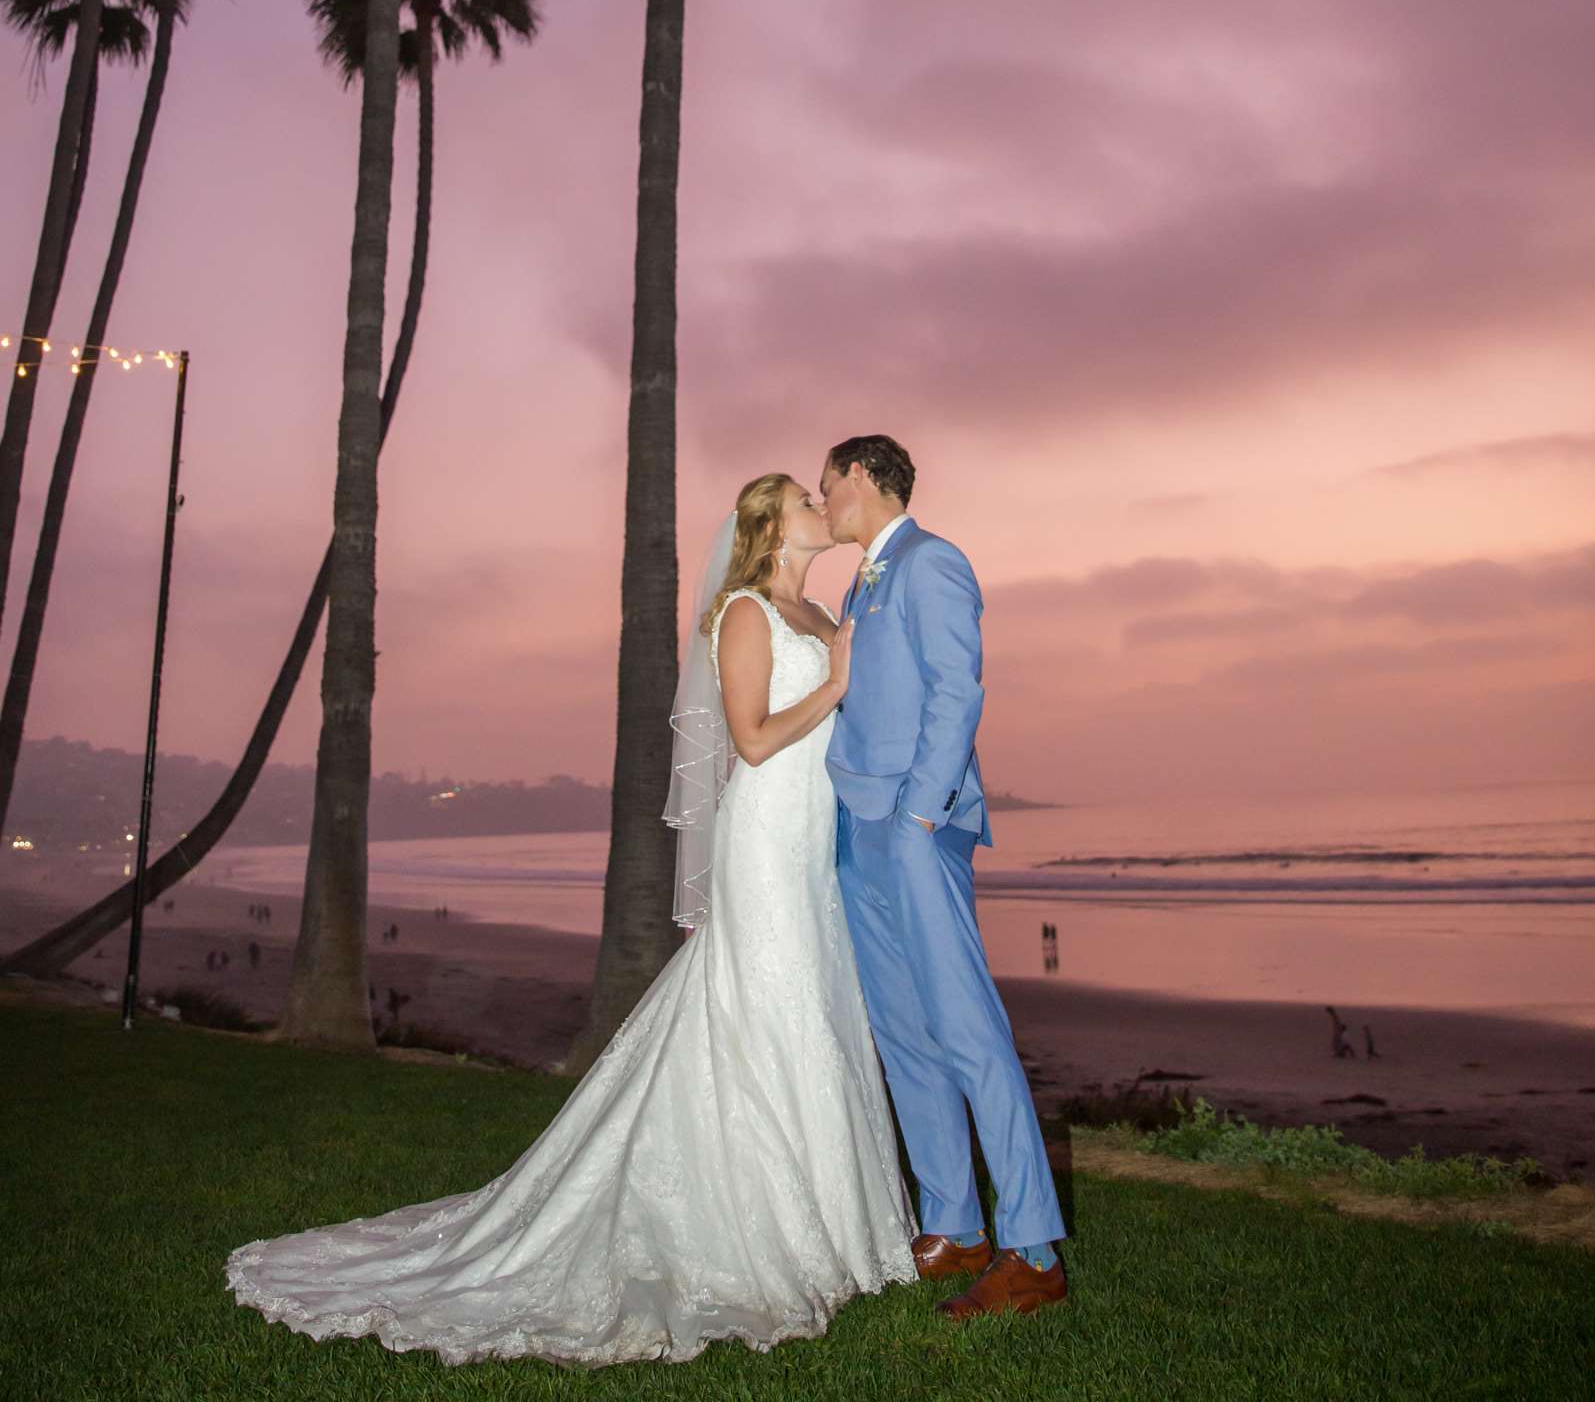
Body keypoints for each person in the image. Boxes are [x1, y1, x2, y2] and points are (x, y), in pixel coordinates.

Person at [225, 473, 917, 1368]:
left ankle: (836, 1228)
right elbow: (747, 739)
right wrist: (835, 690)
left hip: (813, 841)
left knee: (813, 1010)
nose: (823, 507)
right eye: (804, 498)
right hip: (764, 842)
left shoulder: (824, 618)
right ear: (771, 525)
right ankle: (763, 1229)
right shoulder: (745, 612)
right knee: (768, 1009)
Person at [821, 433, 1068, 1320]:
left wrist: (921, 815)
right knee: (905, 1033)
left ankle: (1033, 1250)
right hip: (859, 831)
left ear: (860, 475)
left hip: (915, 830)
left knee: (967, 1030)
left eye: (827, 486)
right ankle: (954, 1225)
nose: (823, 503)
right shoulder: (859, 580)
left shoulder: (933, 562)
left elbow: (957, 690)